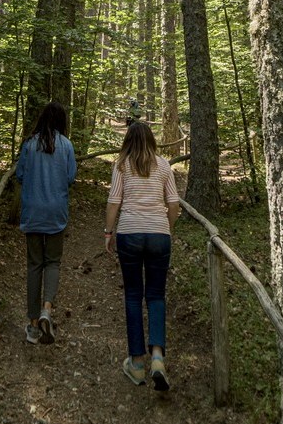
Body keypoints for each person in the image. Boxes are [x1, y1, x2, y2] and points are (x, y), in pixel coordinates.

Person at [104, 121, 180, 391]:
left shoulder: (122, 165)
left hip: (130, 234)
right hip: (159, 235)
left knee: (134, 295)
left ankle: (137, 363)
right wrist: (165, 229)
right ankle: (158, 357)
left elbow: (114, 201)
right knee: (157, 295)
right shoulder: (163, 165)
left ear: (128, 140)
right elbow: (173, 203)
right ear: (151, 140)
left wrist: (108, 232)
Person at [16, 101, 76, 345]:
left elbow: (20, 175)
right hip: (56, 212)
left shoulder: (29, 145)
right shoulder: (66, 145)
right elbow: (71, 177)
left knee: (34, 265)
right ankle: (46, 310)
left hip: (33, 211)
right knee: (52, 262)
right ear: (61, 121)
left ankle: (32, 325)